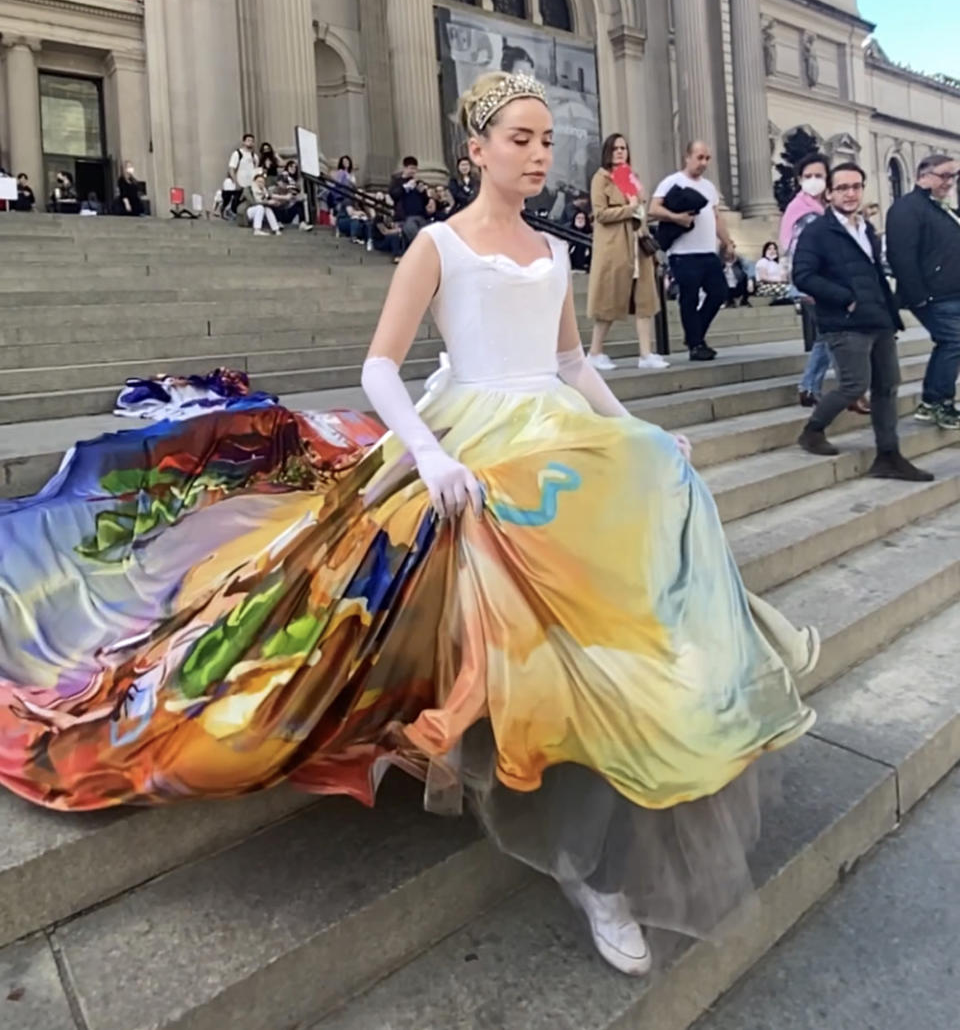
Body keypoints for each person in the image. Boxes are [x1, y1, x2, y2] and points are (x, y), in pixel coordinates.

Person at [0, 68, 817, 982]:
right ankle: (565, 840)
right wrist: (429, 455)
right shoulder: (436, 242)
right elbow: (381, 368)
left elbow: (573, 364)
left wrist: (638, 432)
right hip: (468, 434)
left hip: (558, 443)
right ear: (476, 150)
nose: (539, 153)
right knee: (493, 618)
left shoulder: (552, 252)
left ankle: (597, 846)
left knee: (608, 617)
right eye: (520, 138)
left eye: (547, 140)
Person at [792, 162, 932, 481]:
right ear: (829, 193)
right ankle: (812, 431)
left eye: (856, 186)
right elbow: (803, 275)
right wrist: (845, 298)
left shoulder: (866, 228)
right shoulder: (817, 231)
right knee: (854, 384)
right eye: (842, 188)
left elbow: (873, 273)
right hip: (844, 321)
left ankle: (888, 455)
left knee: (887, 385)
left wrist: (891, 308)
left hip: (878, 317)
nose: (850, 193)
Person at [885, 153, 960, 432]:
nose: (949, 182)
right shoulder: (907, 208)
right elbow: (901, 255)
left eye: (953, 176)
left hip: (950, 292)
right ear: (923, 176)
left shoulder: (941, 209)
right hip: (933, 294)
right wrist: (919, 295)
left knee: (952, 343)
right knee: (953, 341)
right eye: (944, 176)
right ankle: (937, 401)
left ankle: (934, 402)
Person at [587, 133, 666, 372]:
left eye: (623, 148)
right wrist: (628, 209)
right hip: (614, 247)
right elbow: (600, 214)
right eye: (616, 148)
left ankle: (646, 353)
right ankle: (595, 351)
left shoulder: (630, 177)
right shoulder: (600, 179)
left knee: (644, 301)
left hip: (637, 245)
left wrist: (641, 226)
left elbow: (640, 209)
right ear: (608, 152)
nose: (620, 152)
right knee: (608, 301)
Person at [650, 141, 732, 361]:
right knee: (689, 297)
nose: (703, 162)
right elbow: (653, 208)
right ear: (687, 157)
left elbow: (716, 217)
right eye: (699, 157)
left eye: (707, 158)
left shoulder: (709, 187)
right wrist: (677, 218)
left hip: (708, 251)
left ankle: (694, 334)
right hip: (683, 253)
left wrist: (728, 242)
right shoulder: (672, 181)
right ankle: (696, 344)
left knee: (719, 292)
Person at [779, 154, 835, 407]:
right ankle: (811, 385)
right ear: (799, 180)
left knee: (827, 334)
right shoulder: (803, 211)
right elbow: (800, 251)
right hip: (813, 282)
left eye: (819, 176)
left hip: (822, 282)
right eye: (808, 176)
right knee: (830, 334)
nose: (813, 181)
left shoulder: (821, 209)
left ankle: (810, 386)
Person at [389, 156, 430, 247]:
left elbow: (426, 202)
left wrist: (423, 193)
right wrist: (405, 187)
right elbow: (394, 195)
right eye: (411, 168)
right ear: (405, 168)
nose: (413, 171)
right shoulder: (397, 181)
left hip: (421, 216)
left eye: (415, 169)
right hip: (405, 217)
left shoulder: (418, 182)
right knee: (414, 235)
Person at [224, 133, 258, 219]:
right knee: (237, 200)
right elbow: (231, 168)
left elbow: (256, 170)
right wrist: (235, 181)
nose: (250, 143)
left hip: (250, 184)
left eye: (252, 141)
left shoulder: (255, 156)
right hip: (240, 182)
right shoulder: (238, 153)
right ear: (244, 142)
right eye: (248, 140)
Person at [245, 171, 281, 235]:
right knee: (260, 207)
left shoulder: (265, 191)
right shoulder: (249, 189)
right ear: (254, 181)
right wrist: (267, 202)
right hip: (248, 211)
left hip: (259, 211)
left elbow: (269, 200)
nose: (260, 183)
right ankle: (257, 230)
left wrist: (274, 203)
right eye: (259, 181)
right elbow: (253, 202)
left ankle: (276, 229)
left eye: (262, 182)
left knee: (267, 209)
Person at [722, 242, 754, 307]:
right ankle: (728, 301)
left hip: (737, 286)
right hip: (725, 288)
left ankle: (744, 301)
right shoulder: (720, 262)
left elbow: (751, 267)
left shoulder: (739, 259)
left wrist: (750, 280)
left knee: (747, 278)